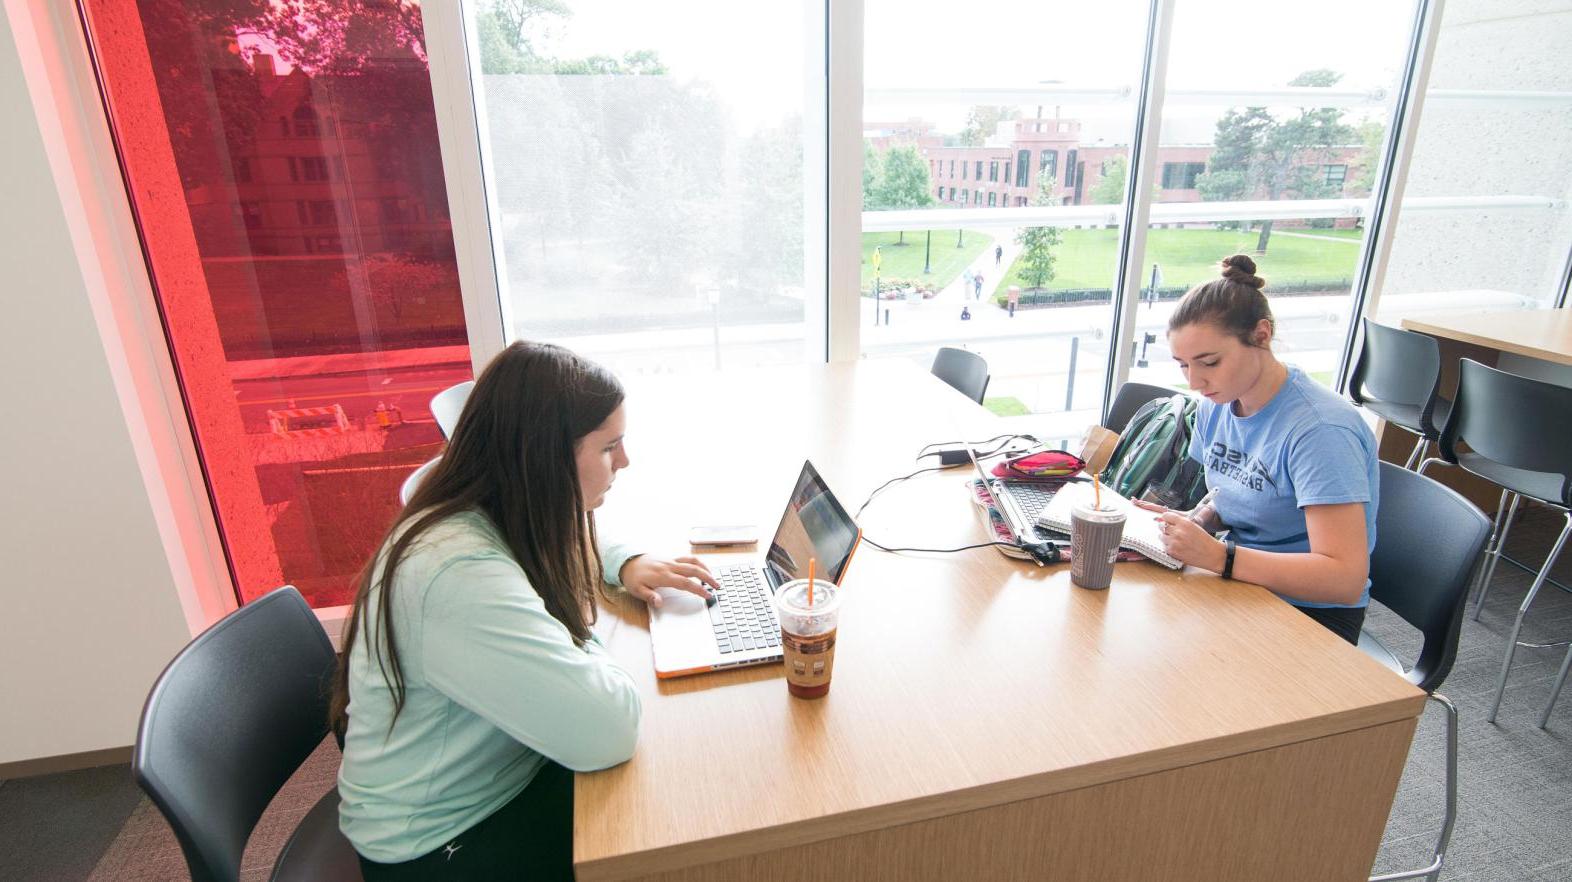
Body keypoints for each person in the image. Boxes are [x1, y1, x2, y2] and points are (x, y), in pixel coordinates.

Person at [332, 341, 720, 880]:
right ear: (545, 458)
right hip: (438, 840)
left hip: (488, 774)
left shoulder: (473, 488)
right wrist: (584, 637)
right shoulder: (456, 576)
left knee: (682, 774)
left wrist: (622, 561)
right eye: (610, 447)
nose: (625, 462)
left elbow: (547, 527)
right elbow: (608, 730)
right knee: (682, 824)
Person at [1143, 255, 1378, 645]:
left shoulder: (1320, 431)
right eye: (1183, 366)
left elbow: (1344, 579)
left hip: (1310, 612)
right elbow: (1237, 491)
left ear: (1262, 335)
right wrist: (1198, 522)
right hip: (1240, 582)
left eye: (1210, 362)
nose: (1195, 382)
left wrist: (1219, 557)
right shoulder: (1217, 404)